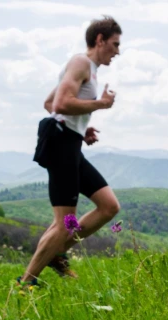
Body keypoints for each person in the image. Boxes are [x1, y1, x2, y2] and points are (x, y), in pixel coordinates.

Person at [20, 16, 122, 285]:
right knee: (64, 222)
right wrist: (100, 104)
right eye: (114, 44)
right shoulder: (80, 63)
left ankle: (57, 251)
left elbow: (49, 102)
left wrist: (81, 128)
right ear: (99, 40)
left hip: (71, 141)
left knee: (109, 206)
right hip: (61, 144)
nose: (117, 51)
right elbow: (60, 104)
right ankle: (26, 282)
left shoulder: (88, 69)